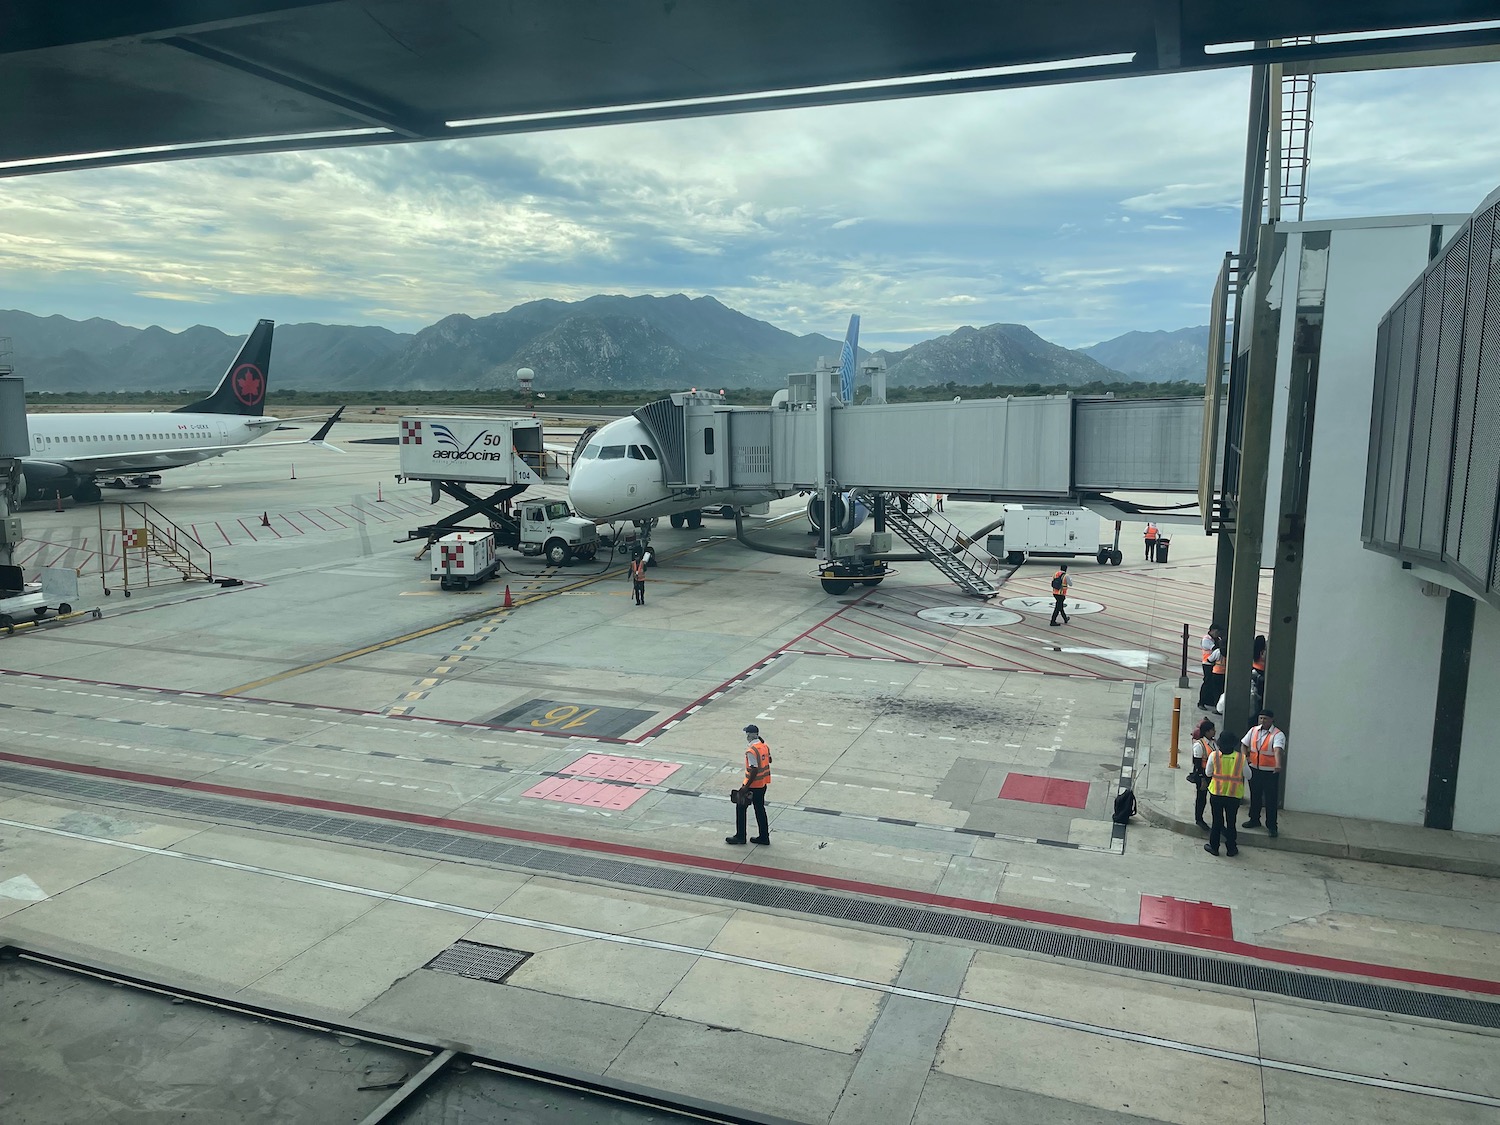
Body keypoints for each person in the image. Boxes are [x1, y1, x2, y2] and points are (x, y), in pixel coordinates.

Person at [1203, 732, 1250, 857]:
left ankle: (1214, 847)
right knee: (1231, 822)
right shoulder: (1241, 758)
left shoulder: (1214, 756)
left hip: (1216, 794)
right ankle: (1231, 848)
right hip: (1234, 796)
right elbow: (1249, 775)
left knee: (1217, 822)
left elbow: (1208, 773)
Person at [1241, 707, 1286, 837]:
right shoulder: (1254, 730)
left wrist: (1278, 764)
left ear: (1272, 720)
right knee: (1255, 796)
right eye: (1260, 718)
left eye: (1265, 719)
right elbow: (1244, 744)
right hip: (1255, 769)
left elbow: (1278, 750)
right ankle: (1254, 819)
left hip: (1270, 772)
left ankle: (1272, 826)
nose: (1262, 721)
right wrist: (1246, 758)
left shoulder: (1278, 734)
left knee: (1271, 799)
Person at [726, 724, 772, 846]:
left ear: (750, 735)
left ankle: (740, 836)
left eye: (747, 734)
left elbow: (754, 769)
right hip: (762, 784)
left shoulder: (751, 751)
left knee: (741, 808)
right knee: (760, 810)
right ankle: (764, 837)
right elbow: (769, 760)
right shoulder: (764, 746)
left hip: (752, 785)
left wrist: (745, 787)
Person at [1189, 717, 1215, 830]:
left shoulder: (1213, 743)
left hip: (1212, 774)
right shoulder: (1199, 745)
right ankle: (1199, 818)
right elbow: (1197, 764)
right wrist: (1202, 778)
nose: (1214, 732)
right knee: (1201, 798)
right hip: (1203, 775)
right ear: (1207, 731)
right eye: (1212, 730)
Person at [1197, 624, 1224, 709]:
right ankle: (1201, 702)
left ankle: (1209, 701)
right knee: (1207, 682)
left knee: (1212, 683)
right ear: (1212, 630)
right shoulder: (1206, 639)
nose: (1218, 633)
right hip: (1207, 663)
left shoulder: (1216, 639)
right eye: (1217, 631)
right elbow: (1215, 648)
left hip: (1214, 664)